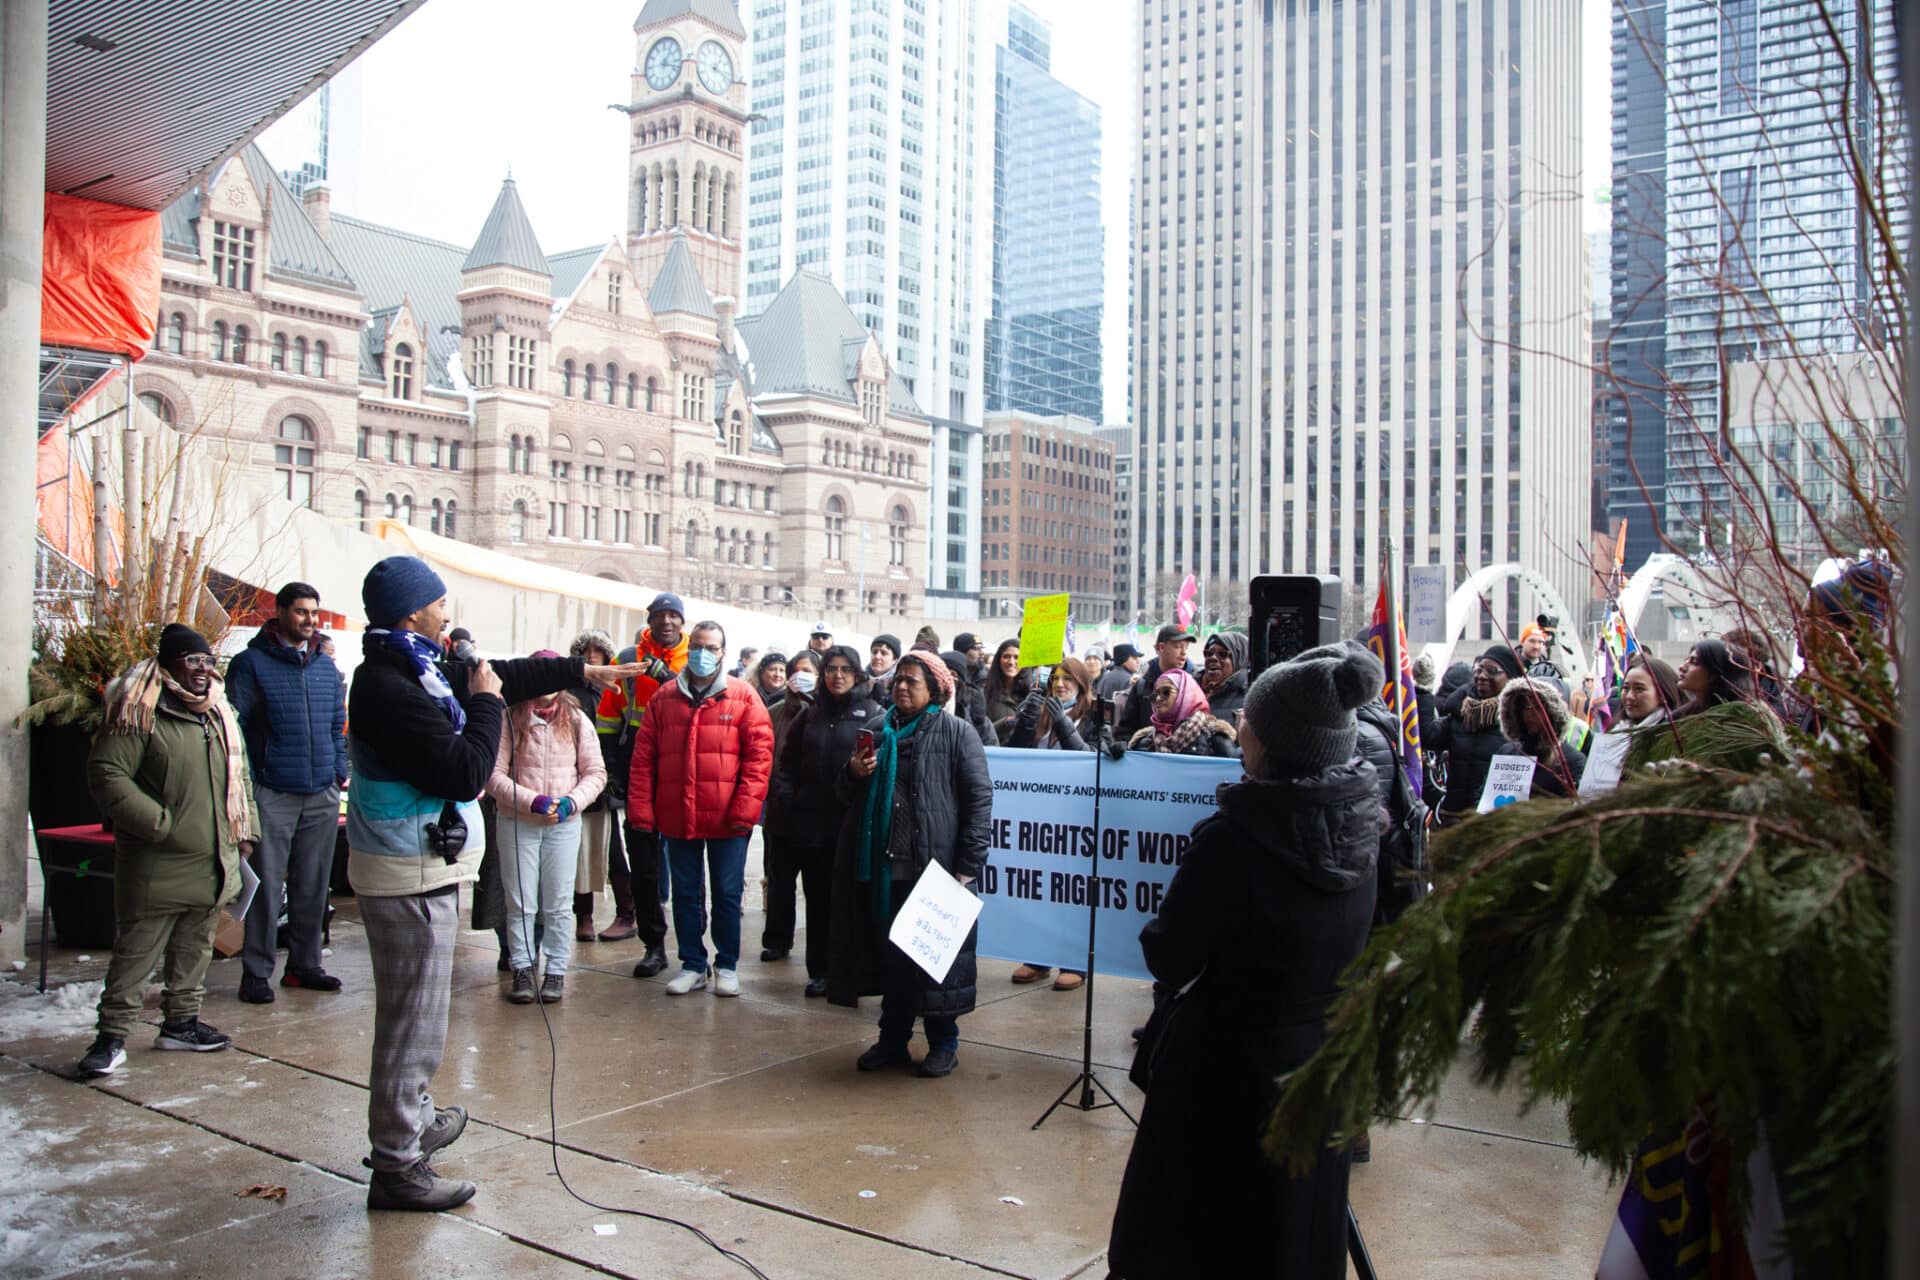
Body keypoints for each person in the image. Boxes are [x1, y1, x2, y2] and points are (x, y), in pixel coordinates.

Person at [345, 555, 626, 1212]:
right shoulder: (388, 685)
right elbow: (464, 767)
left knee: (420, 1016)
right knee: (411, 1021)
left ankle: (409, 1116)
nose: (449, 613)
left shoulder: (410, 663)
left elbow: (501, 671)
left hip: (419, 865)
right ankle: (398, 1162)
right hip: (404, 870)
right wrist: (486, 704)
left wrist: (579, 674)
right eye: (440, 602)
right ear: (412, 611)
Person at [1107, 644, 1383, 1278]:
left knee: (1197, 1237)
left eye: (1253, 724)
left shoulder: (1235, 839)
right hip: (1320, 1068)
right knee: (1293, 1233)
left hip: (1225, 1075)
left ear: (1274, 742)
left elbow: (1170, 955)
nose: (1244, 732)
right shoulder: (1366, 825)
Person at [78, 624, 260, 1079]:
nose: (203, 670)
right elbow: (107, 773)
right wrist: (158, 823)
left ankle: (181, 1023)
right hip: (159, 860)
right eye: (193, 660)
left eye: (207, 661)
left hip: (211, 857)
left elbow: (241, 781)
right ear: (169, 663)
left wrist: (247, 830)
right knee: (135, 954)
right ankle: (112, 1036)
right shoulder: (140, 710)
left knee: (196, 947)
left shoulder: (218, 713)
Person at [831, 652, 993, 1078]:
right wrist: (853, 772)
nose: (901, 688)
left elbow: (979, 802)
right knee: (892, 960)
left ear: (935, 690)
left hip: (936, 871)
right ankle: (893, 1040)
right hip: (884, 872)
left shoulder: (958, 733)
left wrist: (968, 865)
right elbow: (844, 796)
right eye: (898, 681)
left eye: (912, 682)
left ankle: (944, 1043)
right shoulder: (875, 733)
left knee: (936, 961)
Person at [629, 620, 775, 998]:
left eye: (711, 647)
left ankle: (726, 963)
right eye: (698, 646)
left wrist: (745, 809)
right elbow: (644, 760)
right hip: (678, 815)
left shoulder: (743, 697)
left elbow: (759, 758)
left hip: (728, 818)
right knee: (685, 894)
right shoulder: (663, 699)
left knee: (727, 894)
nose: (703, 654)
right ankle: (693, 963)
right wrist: (642, 811)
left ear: (723, 653)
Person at [224, 581, 347, 1005]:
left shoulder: (325, 668)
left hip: (320, 793)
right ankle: (256, 972)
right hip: (272, 791)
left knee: (313, 885)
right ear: (279, 613)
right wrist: (250, 785)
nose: (310, 621)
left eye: (314, 613)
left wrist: (337, 771)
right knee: (265, 885)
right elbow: (234, 728)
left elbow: (336, 725)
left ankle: (304, 965)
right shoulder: (251, 664)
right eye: (300, 612)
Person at [486, 657, 607, 1003]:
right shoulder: (509, 718)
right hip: (517, 821)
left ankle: (556, 970)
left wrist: (571, 802)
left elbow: (595, 773)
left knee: (557, 901)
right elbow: (493, 775)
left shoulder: (578, 721)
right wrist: (531, 801)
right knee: (520, 901)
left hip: (562, 825)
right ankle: (522, 967)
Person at [769, 645, 884, 996]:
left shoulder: (874, 715)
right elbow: (785, 765)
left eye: (845, 670)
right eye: (832, 669)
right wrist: (790, 801)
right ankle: (819, 970)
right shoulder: (810, 715)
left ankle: (849, 971)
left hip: (851, 826)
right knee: (817, 902)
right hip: (810, 827)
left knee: (849, 904)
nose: (838, 676)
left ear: (858, 675)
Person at [597, 594, 689, 977]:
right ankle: (653, 945)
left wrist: (668, 679)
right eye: (659, 615)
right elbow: (608, 713)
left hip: (685, 765)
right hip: (639, 765)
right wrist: (610, 770)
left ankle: (695, 951)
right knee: (644, 865)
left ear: (682, 622)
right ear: (649, 619)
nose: (666, 621)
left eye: (673, 615)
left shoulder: (698, 653)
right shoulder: (625, 658)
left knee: (687, 866)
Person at [1005, 656, 1096, 992]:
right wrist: (1027, 721)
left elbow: (1090, 759)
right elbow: (1015, 755)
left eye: (1067, 680)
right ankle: (1038, 956)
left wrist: (1065, 726)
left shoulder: (1091, 716)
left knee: (1070, 890)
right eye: (1055, 678)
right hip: (1038, 814)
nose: (1059, 685)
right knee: (1039, 887)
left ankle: (1074, 962)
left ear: (1081, 685)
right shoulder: (1042, 712)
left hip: (1074, 817)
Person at [1423, 646, 1523, 820]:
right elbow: (1427, 736)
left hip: (1497, 823)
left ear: (1511, 678)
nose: (1482, 676)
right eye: (1479, 670)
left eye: (1492, 671)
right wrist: (1423, 691)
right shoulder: (1460, 714)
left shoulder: (1520, 720)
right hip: (1455, 818)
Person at [564, 629, 619, 941]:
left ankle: (627, 912)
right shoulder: (570, 692)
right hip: (576, 780)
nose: (591, 655)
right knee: (579, 851)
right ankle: (583, 916)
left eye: (598, 650)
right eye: (586, 649)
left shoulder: (614, 691)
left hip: (608, 781)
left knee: (615, 851)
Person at [1579, 654, 1681, 798]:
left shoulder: (1672, 738)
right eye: (1626, 688)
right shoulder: (1615, 732)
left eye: (1639, 689)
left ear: (1662, 693)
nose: (1630, 696)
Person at [1494, 678, 1587, 799]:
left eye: (1538, 707)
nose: (1530, 714)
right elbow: (1484, 797)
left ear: (1553, 712)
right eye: (1525, 707)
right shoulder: (1507, 752)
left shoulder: (1571, 761)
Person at [1125, 669, 1238, 757]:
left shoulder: (1214, 737)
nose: (1158, 698)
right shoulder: (1144, 741)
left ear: (1185, 695)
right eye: (1155, 694)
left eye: (1166, 692)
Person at [1114, 625, 1199, 739]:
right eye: (1178, 646)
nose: (1184, 652)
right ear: (1161, 647)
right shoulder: (1142, 686)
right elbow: (1126, 730)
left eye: (1186, 647)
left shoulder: (1196, 684)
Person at [940, 648, 999, 746]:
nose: (947, 679)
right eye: (942, 674)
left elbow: (991, 749)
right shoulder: (929, 709)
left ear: (962, 680)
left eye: (952, 674)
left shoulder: (977, 714)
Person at [1198, 631, 1251, 722]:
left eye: (1222, 654)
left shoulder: (1248, 700)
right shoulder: (1191, 688)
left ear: (1239, 660)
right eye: (1209, 653)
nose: (1213, 658)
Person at [982, 639, 1026, 731]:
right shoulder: (984, 691)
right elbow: (979, 732)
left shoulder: (1030, 693)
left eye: (1017, 657)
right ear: (998, 660)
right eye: (1006, 656)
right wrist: (1004, 723)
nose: (1011, 662)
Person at [868, 633, 901, 702]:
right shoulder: (860, 680)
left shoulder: (898, 685)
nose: (877, 657)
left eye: (883, 653)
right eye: (874, 652)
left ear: (894, 659)